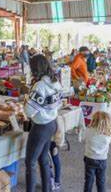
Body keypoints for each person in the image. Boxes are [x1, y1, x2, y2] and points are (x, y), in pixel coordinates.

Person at [24, 54, 62, 192]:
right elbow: (58, 104)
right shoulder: (55, 82)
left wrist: (27, 99)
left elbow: (29, 112)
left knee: (30, 162)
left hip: (40, 127)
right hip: (52, 123)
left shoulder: (39, 85)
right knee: (43, 159)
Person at [84, 111, 111, 192]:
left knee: (88, 180)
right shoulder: (108, 134)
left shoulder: (89, 130)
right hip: (102, 159)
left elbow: (83, 138)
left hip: (89, 158)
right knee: (101, 180)